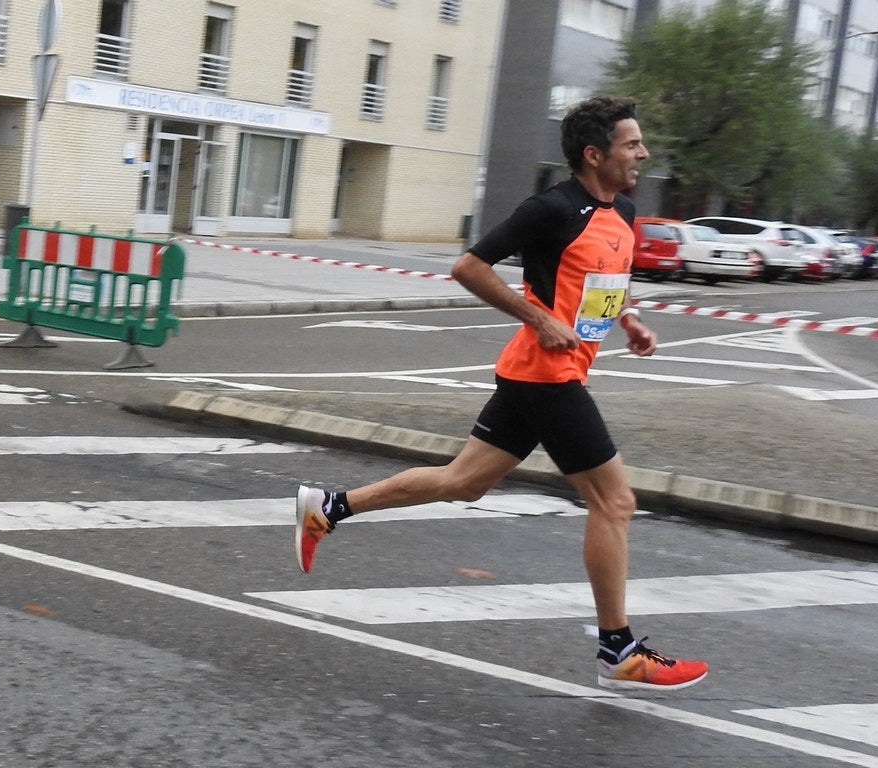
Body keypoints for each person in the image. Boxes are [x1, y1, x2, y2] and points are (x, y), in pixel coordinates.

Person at [293, 96, 708, 692]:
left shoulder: (623, 212)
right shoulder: (552, 209)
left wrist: (629, 320)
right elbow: (468, 267)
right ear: (594, 155)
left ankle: (327, 508)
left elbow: (599, 281)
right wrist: (537, 319)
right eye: (631, 143)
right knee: (615, 502)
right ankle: (618, 650)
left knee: (464, 481)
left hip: (540, 373)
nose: (643, 152)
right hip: (546, 372)